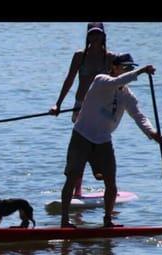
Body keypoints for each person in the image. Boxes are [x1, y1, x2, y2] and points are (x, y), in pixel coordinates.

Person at [60, 53, 162, 228]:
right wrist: (141, 72)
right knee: (72, 177)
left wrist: (152, 133)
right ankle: (64, 221)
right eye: (125, 67)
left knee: (111, 182)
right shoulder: (101, 80)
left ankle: (108, 220)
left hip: (103, 140)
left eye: (130, 68)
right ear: (114, 68)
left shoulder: (127, 96)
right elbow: (117, 81)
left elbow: (139, 116)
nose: (128, 71)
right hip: (82, 135)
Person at [50, 22, 116, 197]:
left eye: (98, 34)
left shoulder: (109, 57)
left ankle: (109, 183)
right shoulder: (79, 56)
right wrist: (58, 104)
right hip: (81, 106)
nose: (95, 38)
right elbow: (69, 79)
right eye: (92, 34)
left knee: (100, 144)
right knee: (81, 146)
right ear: (88, 36)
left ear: (103, 36)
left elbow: (120, 78)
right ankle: (77, 190)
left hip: (101, 108)